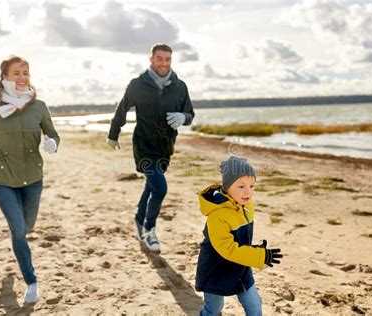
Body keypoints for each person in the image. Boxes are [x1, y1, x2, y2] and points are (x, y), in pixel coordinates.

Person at [0, 55, 60, 303]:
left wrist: (52, 143)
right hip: (2, 178)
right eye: (16, 73)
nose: (22, 77)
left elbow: (53, 134)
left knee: (26, 228)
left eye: (26, 72)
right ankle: (32, 281)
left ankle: (18, 240)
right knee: (18, 229)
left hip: (33, 177)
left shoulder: (39, 106)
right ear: (4, 76)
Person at [107, 43, 194, 253]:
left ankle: (138, 219)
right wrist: (113, 134)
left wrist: (183, 117)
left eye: (167, 59)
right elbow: (122, 108)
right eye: (159, 59)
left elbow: (190, 114)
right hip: (144, 145)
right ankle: (149, 229)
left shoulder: (179, 86)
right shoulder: (138, 84)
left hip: (165, 147)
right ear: (151, 59)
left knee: (151, 186)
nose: (164, 63)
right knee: (160, 188)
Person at [195, 156, 283, 315]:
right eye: (241, 186)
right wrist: (259, 256)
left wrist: (254, 250)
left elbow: (241, 240)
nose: (248, 191)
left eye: (252, 185)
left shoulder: (247, 205)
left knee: (254, 305)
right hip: (216, 269)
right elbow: (228, 249)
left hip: (241, 266)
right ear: (227, 187)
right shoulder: (218, 216)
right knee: (214, 308)